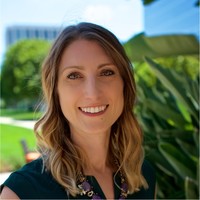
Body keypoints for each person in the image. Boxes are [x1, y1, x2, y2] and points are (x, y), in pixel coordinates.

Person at [0, 22, 156, 199]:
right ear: (55, 92)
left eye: (106, 72)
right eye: (74, 75)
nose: (93, 93)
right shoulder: (21, 192)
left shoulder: (144, 175)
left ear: (124, 85)